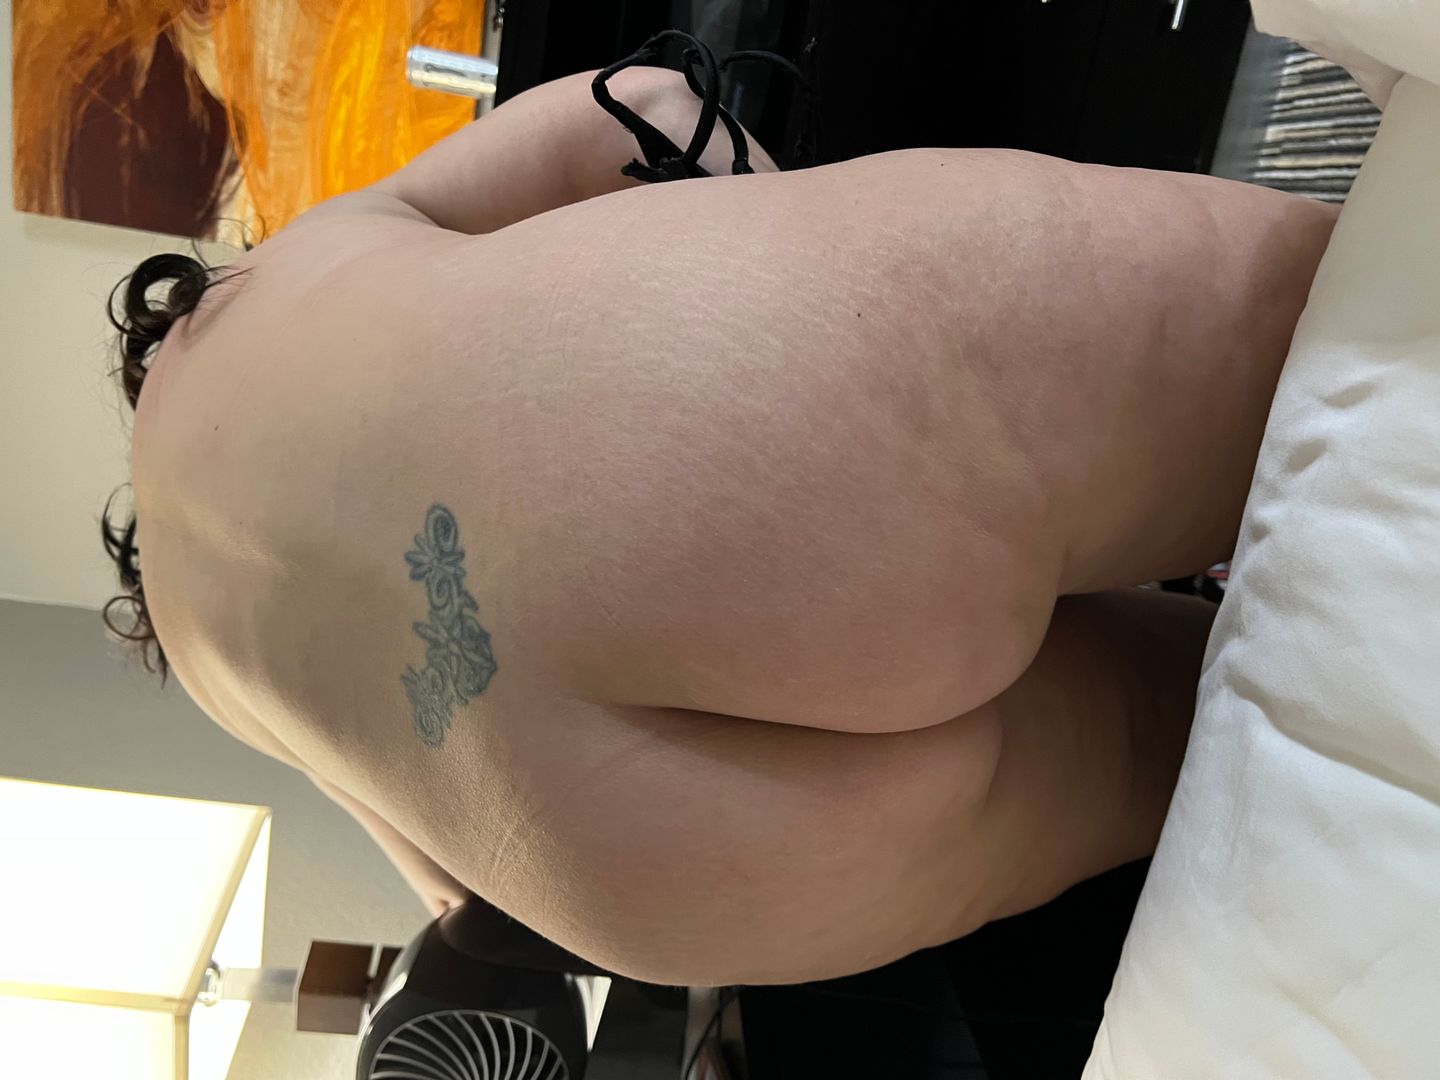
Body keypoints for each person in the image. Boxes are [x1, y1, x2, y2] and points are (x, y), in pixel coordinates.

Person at [104, 53, 1337, 988]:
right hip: (693, 404)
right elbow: (629, 106)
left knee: (1286, 738)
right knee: (1362, 375)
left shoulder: (215, 674)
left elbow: (441, 890)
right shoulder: (231, 310)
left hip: (645, 859)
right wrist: (777, 255)